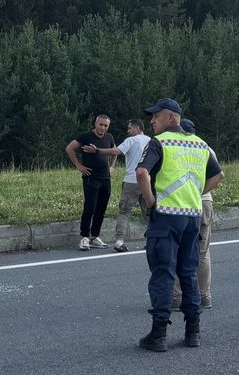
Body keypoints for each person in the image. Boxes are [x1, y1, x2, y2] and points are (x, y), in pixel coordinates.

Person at [136, 98, 224, 352]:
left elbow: (142, 173)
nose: (152, 120)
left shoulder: (159, 142)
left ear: (172, 117)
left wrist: (151, 202)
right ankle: (192, 332)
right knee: (188, 272)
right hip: (192, 217)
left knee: (163, 273)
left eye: (156, 116)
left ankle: (158, 334)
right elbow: (218, 175)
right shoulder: (201, 144)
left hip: (166, 217)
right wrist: (196, 194)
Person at [82, 119, 151, 252]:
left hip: (132, 180)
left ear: (137, 128)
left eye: (130, 128)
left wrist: (97, 151)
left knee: (124, 212)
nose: (128, 131)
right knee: (148, 212)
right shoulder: (152, 141)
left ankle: (119, 241)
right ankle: (152, 240)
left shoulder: (131, 140)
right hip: (148, 181)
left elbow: (115, 152)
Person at [172, 119, 215, 309]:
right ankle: (205, 295)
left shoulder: (179, 146)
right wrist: (202, 192)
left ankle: (177, 296)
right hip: (205, 201)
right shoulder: (206, 147)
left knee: (179, 250)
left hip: (183, 203)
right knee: (203, 252)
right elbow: (218, 175)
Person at [65, 114, 116, 250]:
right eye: (101, 124)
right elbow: (69, 148)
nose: (103, 128)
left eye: (106, 125)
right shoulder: (86, 136)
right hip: (91, 178)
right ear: (96, 123)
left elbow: (114, 151)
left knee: (101, 208)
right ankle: (84, 237)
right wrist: (78, 165)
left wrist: (112, 166)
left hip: (105, 178)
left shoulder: (109, 137)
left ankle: (95, 236)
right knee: (90, 207)